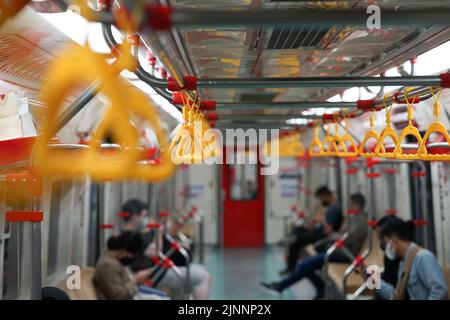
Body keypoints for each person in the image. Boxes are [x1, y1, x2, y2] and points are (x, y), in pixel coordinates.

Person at [262, 193, 365, 298]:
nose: (348, 206)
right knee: (306, 265)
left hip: (346, 254)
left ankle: (285, 286)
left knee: (305, 265)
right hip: (337, 250)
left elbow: (345, 237)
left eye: (350, 204)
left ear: (356, 205)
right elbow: (341, 234)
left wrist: (331, 236)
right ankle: (315, 287)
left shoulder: (361, 222)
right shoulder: (353, 219)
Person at [120, 199, 211, 299]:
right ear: (134, 216)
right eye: (143, 216)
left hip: (157, 271)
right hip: (152, 275)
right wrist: (158, 232)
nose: (145, 219)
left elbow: (156, 250)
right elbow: (155, 252)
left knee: (196, 274)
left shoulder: (138, 233)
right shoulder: (130, 238)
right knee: (203, 276)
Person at [375, 219, 448, 300]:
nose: (386, 247)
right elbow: (397, 295)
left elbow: (440, 291)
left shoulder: (423, 257)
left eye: (386, 242)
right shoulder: (404, 261)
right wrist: (374, 280)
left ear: (394, 238)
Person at [281, 185, 343, 274]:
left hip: (321, 236)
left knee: (294, 243)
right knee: (297, 229)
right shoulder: (331, 208)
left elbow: (328, 231)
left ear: (325, 195)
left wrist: (321, 220)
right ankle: (294, 236)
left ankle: (291, 267)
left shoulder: (334, 209)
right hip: (317, 231)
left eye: (321, 198)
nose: (321, 201)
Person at [93, 232, 152, 300]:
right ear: (123, 250)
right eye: (129, 254)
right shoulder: (107, 265)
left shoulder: (112, 260)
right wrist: (135, 280)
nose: (129, 257)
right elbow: (119, 296)